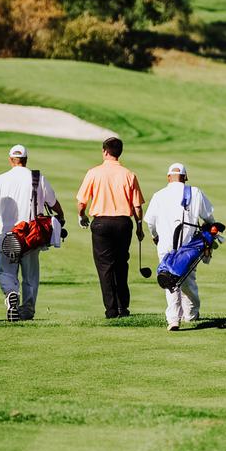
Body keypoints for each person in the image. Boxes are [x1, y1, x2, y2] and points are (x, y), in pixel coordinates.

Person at [0, 144, 64, 321]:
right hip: (30, 236)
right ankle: (27, 310)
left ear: (11, 160)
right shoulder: (37, 177)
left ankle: (11, 294)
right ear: (26, 160)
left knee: (6, 271)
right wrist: (61, 216)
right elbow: (53, 203)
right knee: (30, 275)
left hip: (6, 234)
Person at [76, 136, 145, 318]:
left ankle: (111, 309)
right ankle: (124, 307)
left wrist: (81, 216)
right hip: (123, 223)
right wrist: (139, 226)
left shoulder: (93, 172)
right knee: (121, 264)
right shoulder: (129, 174)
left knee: (105, 267)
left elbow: (81, 202)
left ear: (105, 151)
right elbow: (137, 206)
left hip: (101, 224)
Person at [144, 162, 215, 331]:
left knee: (169, 279)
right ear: (185, 177)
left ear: (168, 178)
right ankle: (190, 315)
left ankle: (173, 319)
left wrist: (155, 237)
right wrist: (210, 233)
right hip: (188, 246)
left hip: (165, 245)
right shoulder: (195, 192)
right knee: (188, 280)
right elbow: (209, 217)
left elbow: (151, 223)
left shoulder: (159, 195)